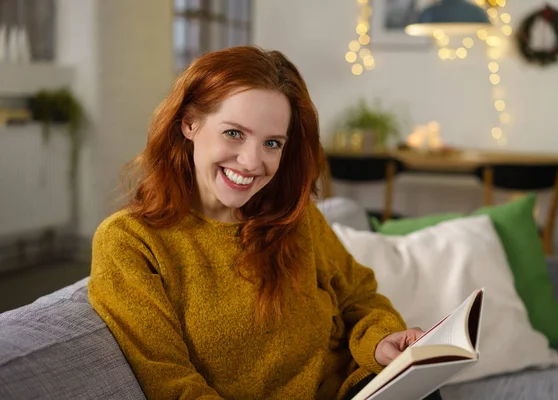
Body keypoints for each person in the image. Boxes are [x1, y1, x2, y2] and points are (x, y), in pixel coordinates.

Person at [88, 46, 442, 400]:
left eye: (272, 143)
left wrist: (380, 342)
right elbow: (169, 382)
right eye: (234, 133)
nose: (252, 161)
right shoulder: (129, 242)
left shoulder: (293, 216)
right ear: (189, 124)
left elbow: (359, 296)